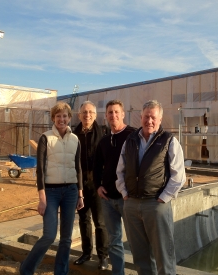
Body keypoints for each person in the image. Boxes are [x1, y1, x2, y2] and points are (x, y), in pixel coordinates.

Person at [116, 99, 186, 275]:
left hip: (156, 205)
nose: (149, 121)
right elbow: (120, 170)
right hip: (131, 204)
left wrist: (164, 197)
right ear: (141, 117)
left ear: (160, 119)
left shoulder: (169, 141)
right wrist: (124, 193)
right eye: (146, 117)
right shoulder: (130, 141)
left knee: (164, 256)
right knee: (140, 257)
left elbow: (179, 175)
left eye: (153, 117)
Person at [20, 101, 84, 275]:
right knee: (49, 235)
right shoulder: (45, 138)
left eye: (64, 116)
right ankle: (26, 269)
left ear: (69, 118)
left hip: (71, 191)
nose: (61, 119)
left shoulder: (75, 139)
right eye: (58, 116)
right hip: (51, 192)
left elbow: (77, 168)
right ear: (53, 118)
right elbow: (40, 169)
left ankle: (61, 272)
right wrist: (42, 198)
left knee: (66, 238)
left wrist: (80, 195)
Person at [93, 100, 136, 275]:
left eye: (116, 112)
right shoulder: (104, 141)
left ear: (123, 114)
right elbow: (97, 166)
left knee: (136, 239)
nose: (113, 115)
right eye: (110, 112)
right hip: (108, 199)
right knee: (114, 240)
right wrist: (98, 186)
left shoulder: (133, 135)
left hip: (128, 199)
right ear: (106, 116)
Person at [73, 101, 109, 270]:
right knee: (83, 220)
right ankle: (86, 252)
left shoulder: (103, 132)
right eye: (84, 112)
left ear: (95, 115)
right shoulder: (73, 134)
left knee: (100, 222)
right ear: (79, 115)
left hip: (97, 186)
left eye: (90, 112)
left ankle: (103, 256)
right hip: (80, 185)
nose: (87, 115)